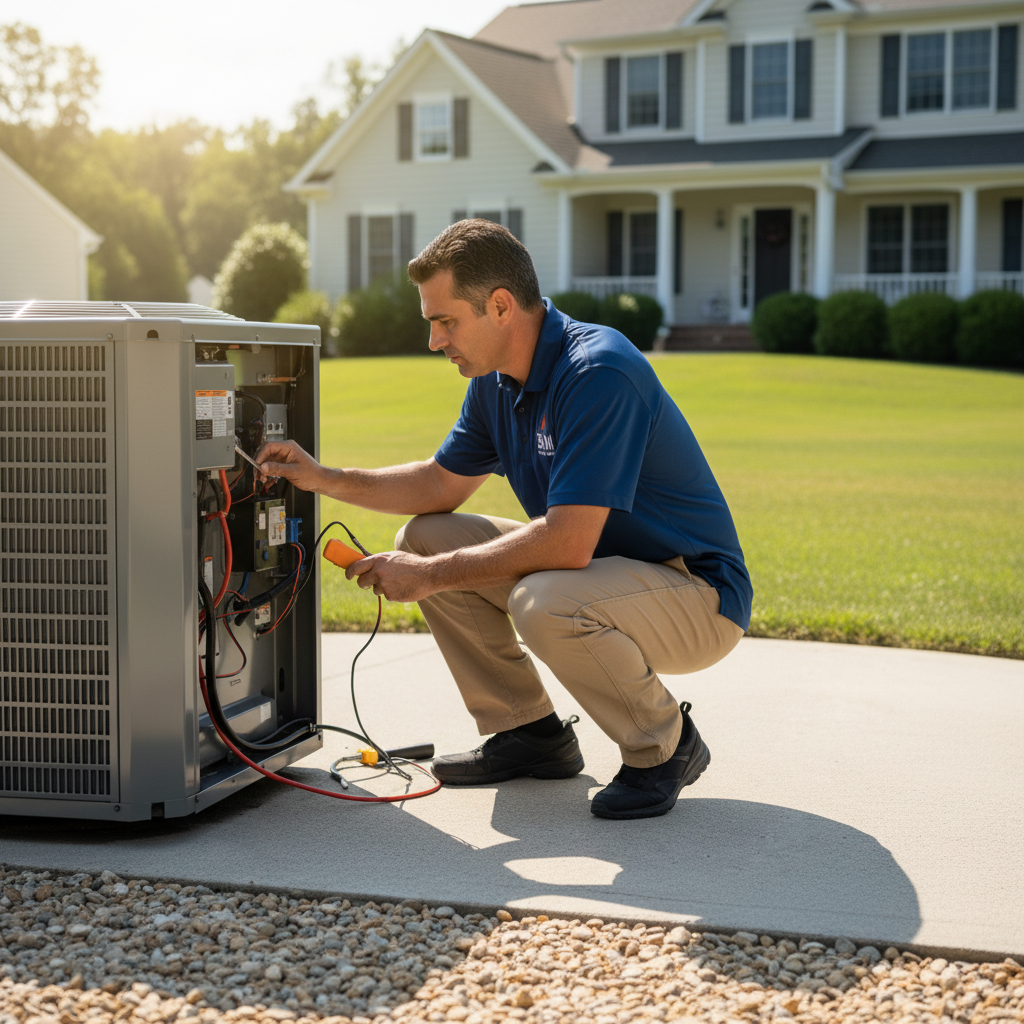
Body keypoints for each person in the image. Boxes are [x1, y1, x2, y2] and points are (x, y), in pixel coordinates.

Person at [256, 219, 752, 820]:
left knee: (540, 602)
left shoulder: (597, 372)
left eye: (445, 321)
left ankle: (665, 744)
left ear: (499, 306)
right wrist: (324, 477)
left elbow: (567, 544)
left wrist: (430, 577)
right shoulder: (496, 382)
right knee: (425, 536)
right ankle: (530, 732)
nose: (435, 340)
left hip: (697, 594)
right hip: (603, 573)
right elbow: (438, 484)